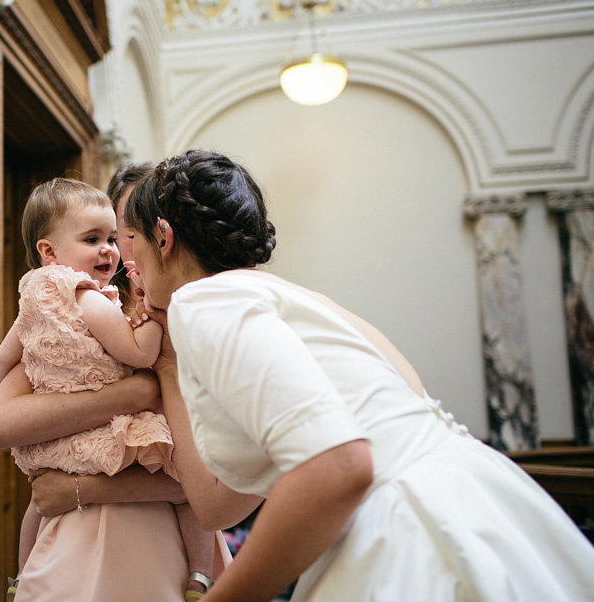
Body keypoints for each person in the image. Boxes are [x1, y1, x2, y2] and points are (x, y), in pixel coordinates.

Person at [114, 148, 594, 601]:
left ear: (164, 236)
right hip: (474, 503)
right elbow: (217, 507)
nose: (129, 265)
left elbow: (339, 466)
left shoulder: (206, 302)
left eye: (131, 241)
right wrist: (169, 364)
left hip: (403, 534)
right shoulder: (300, 303)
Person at [0, 176, 220, 602]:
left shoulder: (184, 315)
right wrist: (139, 392)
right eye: (120, 232)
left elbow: (212, 479)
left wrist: (82, 488)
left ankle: (200, 577)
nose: (119, 247)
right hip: (84, 538)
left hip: (168, 531)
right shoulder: (85, 308)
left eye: (128, 233)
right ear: (51, 249)